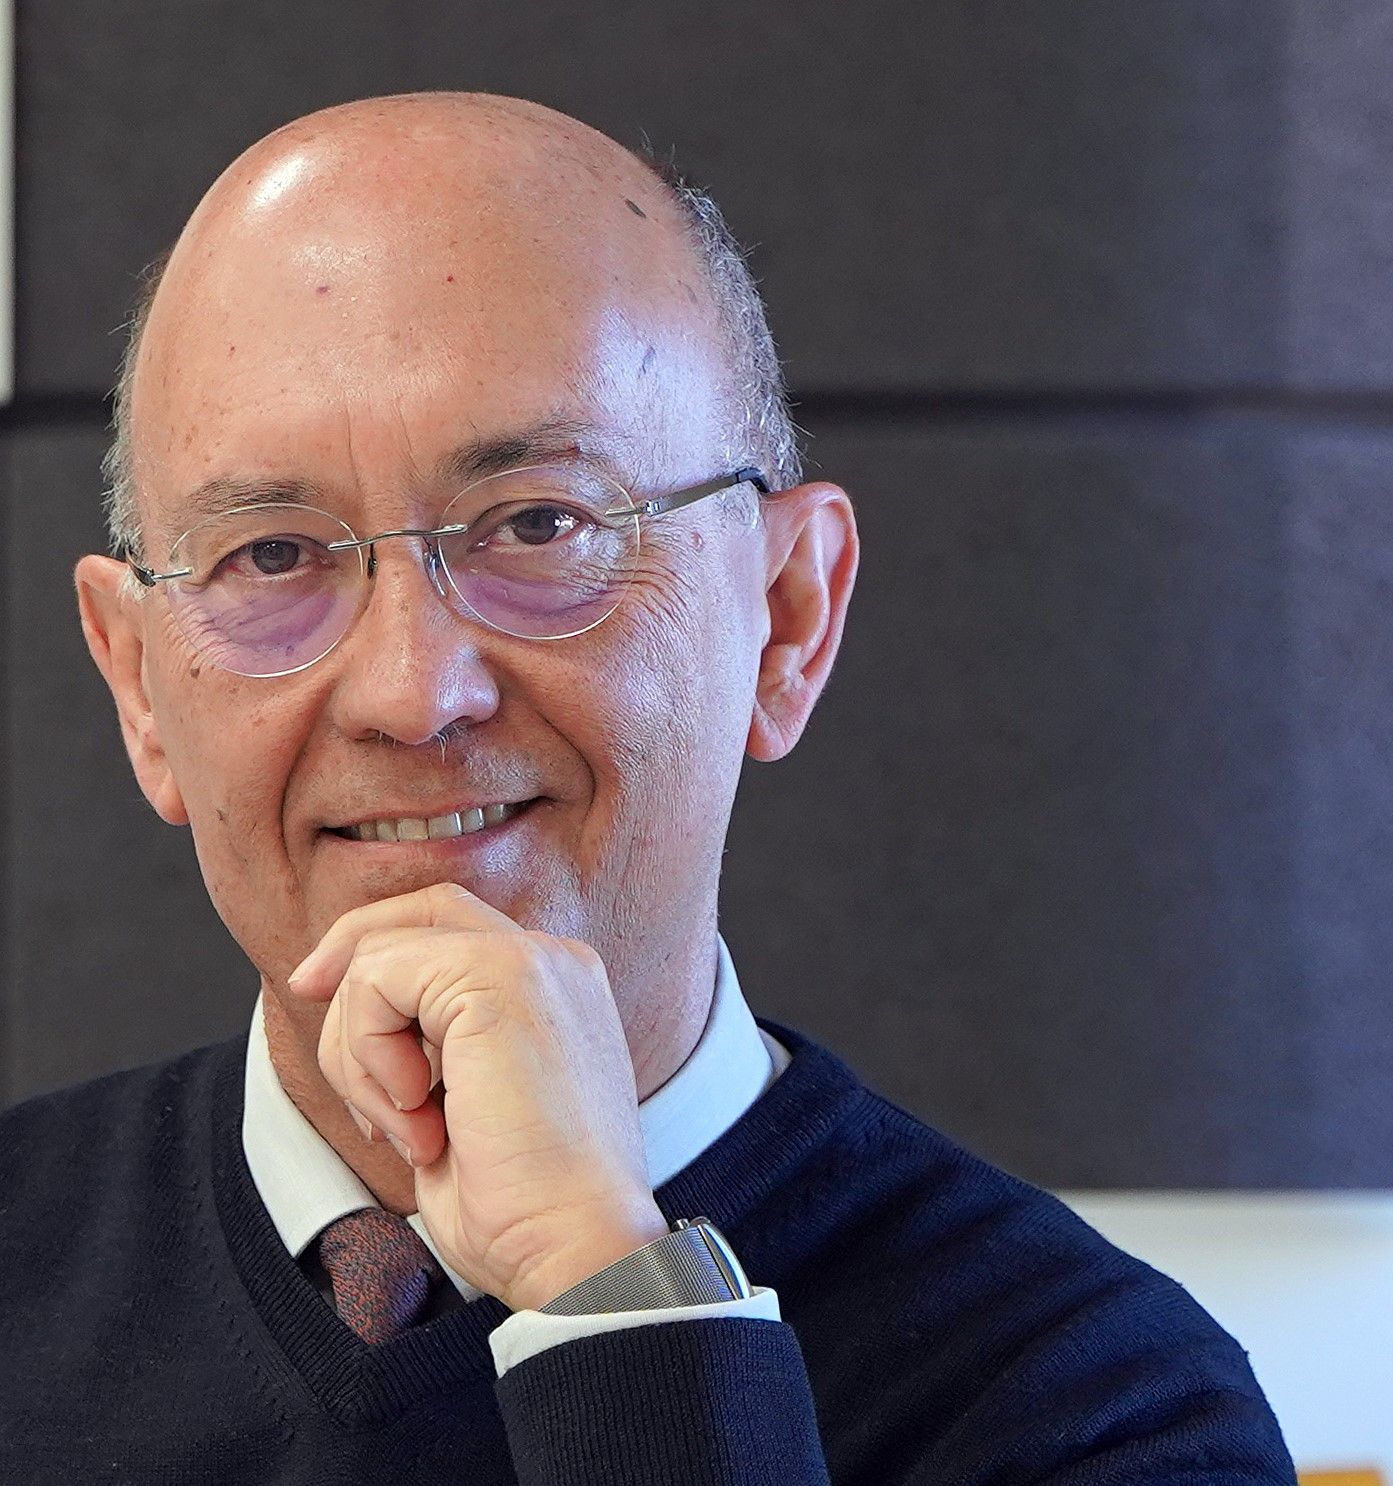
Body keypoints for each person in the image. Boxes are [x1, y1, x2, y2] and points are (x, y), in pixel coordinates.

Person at [0, 92, 1295, 1483]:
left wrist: (610, 1294)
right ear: (139, 683)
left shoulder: (1099, 1403)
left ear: (786, 619)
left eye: (539, 523)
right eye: (271, 555)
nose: (411, 692)